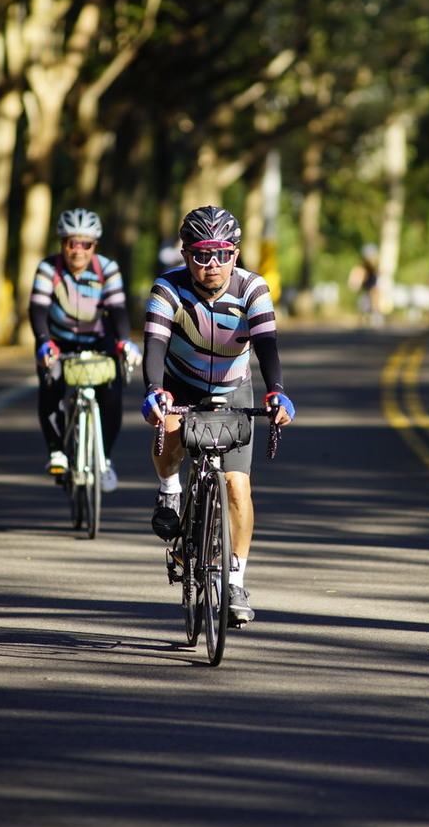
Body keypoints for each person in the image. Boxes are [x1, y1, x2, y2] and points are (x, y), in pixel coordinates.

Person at [141, 204, 295, 626]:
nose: (213, 264)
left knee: (237, 488)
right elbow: (154, 345)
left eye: (223, 253)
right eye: (202, 254)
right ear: (186, 254)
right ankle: (170, 488)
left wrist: (277, 392)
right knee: (169, 425)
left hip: (233, 388)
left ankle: (235, 582)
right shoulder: (168, 288)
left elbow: (267, 345)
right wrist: (154, 391)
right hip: (180, 384)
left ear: (236, 254)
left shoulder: (252, 288)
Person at [29, 208, 141, 490]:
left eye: (86, 244)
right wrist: (43, 342)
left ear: (94, 246)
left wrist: (124, 341)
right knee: (51, 381)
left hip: (99, 341)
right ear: (62, 244)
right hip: (58, 341)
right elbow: (37, 308)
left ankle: (104, 460)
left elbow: (117, 309)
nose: (78, 251)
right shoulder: (48, 268)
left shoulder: (107, 268)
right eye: (71, 243)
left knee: (112, 393)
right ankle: (56, 449)